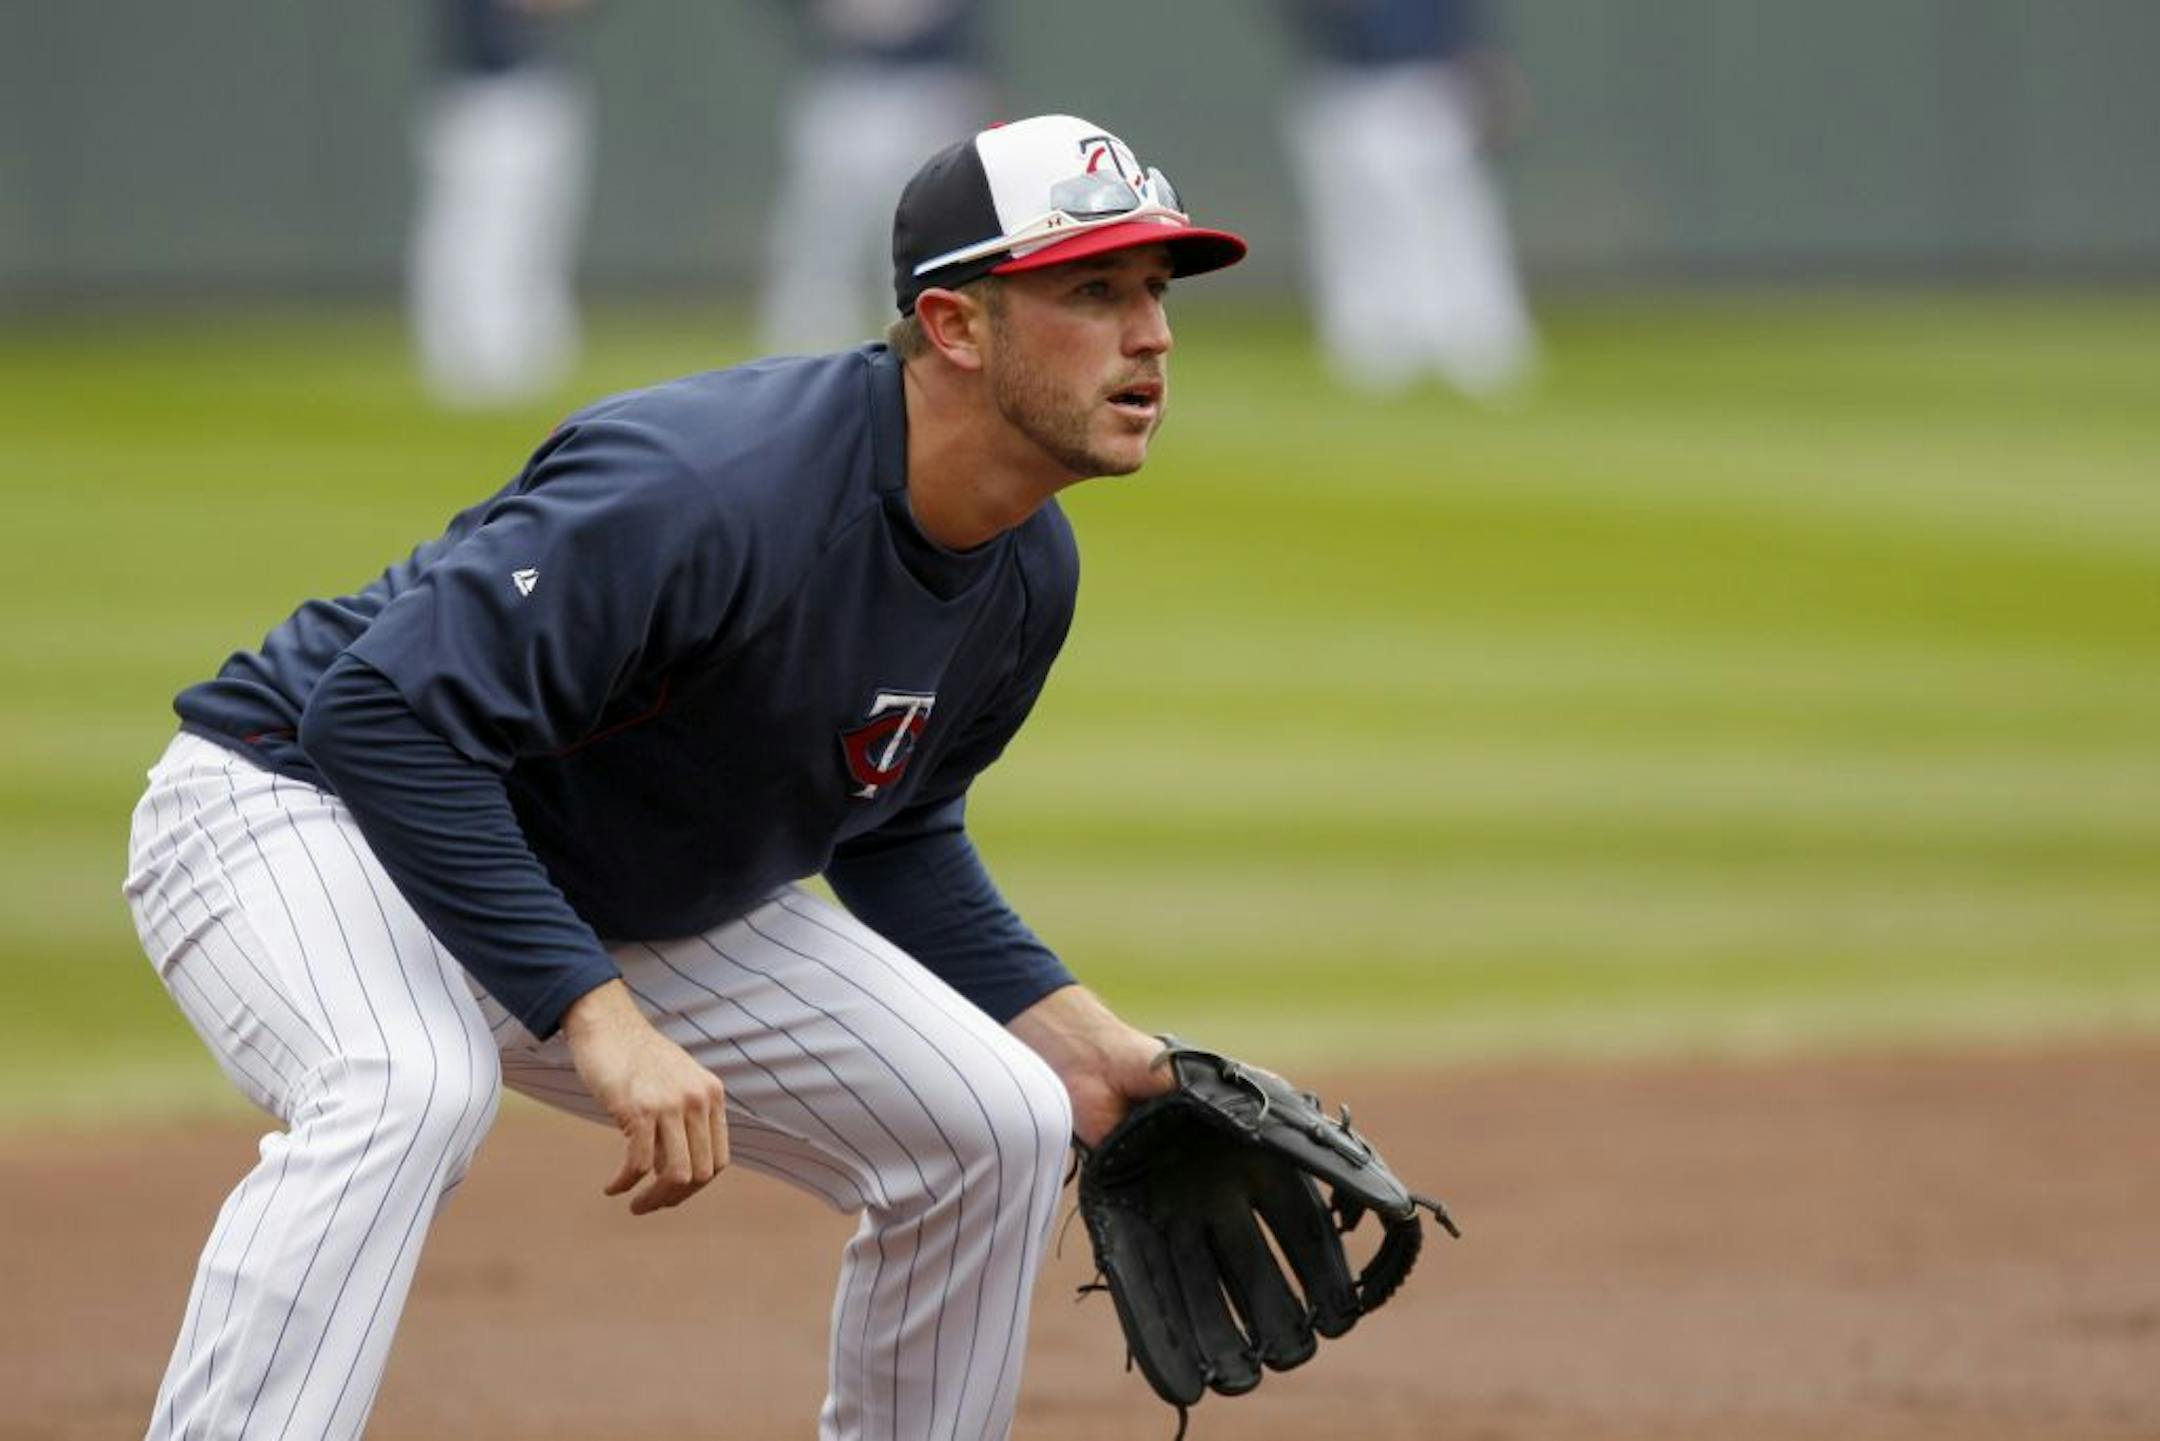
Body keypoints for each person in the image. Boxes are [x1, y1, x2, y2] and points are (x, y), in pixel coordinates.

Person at [121, 112, 1245, 1440]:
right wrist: (596, 1017)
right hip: (297, 807)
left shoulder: (1026, 569)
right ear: (953, 326)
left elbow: (890, 821)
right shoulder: (710, 487)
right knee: (404, 1083)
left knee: (996, 1118)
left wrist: (1090, 1045)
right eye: (1095, 291)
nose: (1153, 336)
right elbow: (381, 717)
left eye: (1158, 293)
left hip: (572, 877)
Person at [1282, 0, 1538, 396]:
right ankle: (1375, 345)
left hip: (1429, 82)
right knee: (1353, 229)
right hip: (1343, 82)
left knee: (1453, 221)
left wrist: (1485, 66)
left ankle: (1473, 339)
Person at [759, 0, 993, 354]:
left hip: (932, 84)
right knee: (822, 241)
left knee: (928, 235)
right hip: (846, 80)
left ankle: (925, 349)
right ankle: (803, 360)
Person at [408, 0, 596, 407]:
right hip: (488, 93)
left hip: (513, 85)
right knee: (486, 234)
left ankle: (505, 351)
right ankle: (484, 358)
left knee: (518, 231)